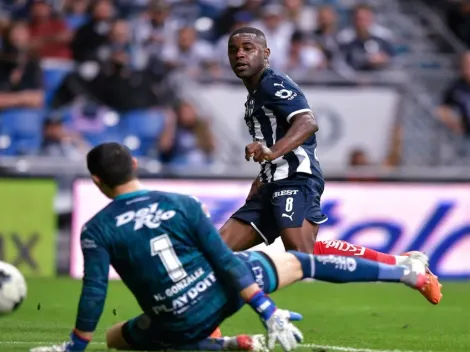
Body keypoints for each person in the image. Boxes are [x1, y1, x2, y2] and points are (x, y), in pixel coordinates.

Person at [31, 143, 429, 352]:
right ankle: (401, 270)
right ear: (135, 165)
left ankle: (220, 344)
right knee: (300, 261)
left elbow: (95, 292)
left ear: (97, 181)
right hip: (219, 292)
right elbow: (222, 260)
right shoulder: (180, 204)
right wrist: (267, 310)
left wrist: (73, 348)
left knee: (115, 338)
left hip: (173, 320)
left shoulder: (96, 229)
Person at [220, 26, 442, 305]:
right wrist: (262, 177)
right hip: (272, 183)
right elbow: (273, 139)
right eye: (233, 49)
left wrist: (271, 152)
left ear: (266, 54)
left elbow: (308, 122)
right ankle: (206, 329)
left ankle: (401, 268)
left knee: (303, 260)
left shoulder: (271, 83)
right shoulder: (254, 95)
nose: (239, 54)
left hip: (295, 180)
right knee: (216, 252)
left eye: (248, 48)